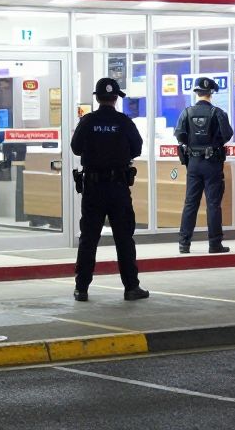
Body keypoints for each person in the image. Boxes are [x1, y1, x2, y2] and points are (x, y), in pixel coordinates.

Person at [70, 77, 149, 302]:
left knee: (89, 238)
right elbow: (137, 148)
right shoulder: (124, 122)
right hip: (118, 187)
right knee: (124, 238)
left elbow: (76, 148)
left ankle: (81, 288)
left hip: (93, 188)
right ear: (115, 98)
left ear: (97, 98)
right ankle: (131, 287)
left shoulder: (88, 121)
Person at [174, 76, 234, 254]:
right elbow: (227, 134)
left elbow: (180, 135)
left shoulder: (186, 112)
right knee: (213, 204)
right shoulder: (218, 113)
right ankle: (215, 244)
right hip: (212, 163)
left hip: (193, 163)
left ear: (196, 92)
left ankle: (184, 244)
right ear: (211, 93)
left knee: (190, 203)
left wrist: (193, 144)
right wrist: (214, 143)